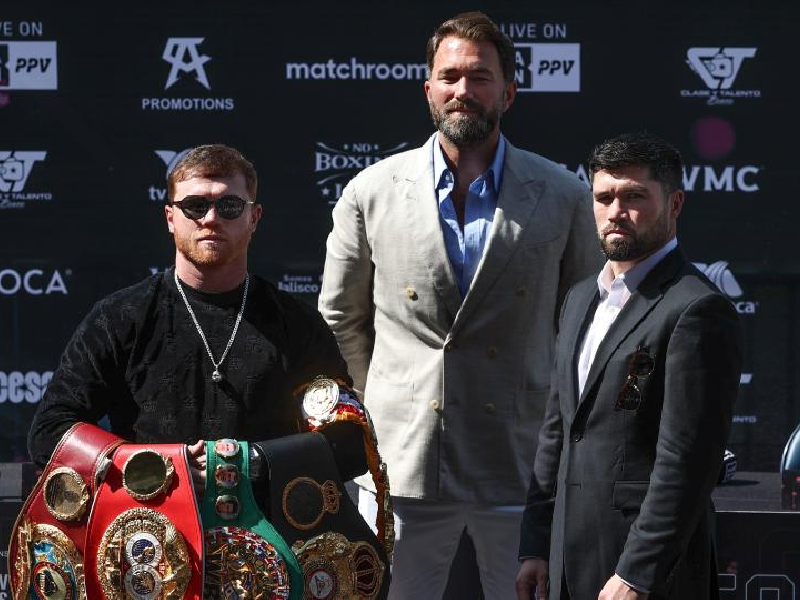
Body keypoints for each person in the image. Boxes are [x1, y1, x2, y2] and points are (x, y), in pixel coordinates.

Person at [317, 11, 601, 599]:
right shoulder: (370, 191)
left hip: (520, 458)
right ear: (428, 89)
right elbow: (341, 317)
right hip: (404, 457)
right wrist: (384, 400)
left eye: (479, 78)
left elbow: (588, 323)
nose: (462, 92)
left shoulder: (565, 195)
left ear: (509, 91)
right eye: (449, 77)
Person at [28, 143, 365, 492]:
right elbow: (50, 431)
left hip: (272, 532)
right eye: (194, 206)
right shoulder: (119, 319)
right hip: (146, 527)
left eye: (229, 206)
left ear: (254, 217)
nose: (211, 218)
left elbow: (349, 439)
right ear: (171, 218)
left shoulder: (297, 323)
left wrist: (252, 464)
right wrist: (158, 465)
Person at [516, 132, 742, 600]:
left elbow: (687, 463)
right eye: (604, 197)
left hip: (647, 576)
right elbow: (558, 430)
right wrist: (536, 545)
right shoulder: (579, 299)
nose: (616, 210)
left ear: (675, 203)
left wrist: (638, 573)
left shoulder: (697, 309)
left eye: (635, 196)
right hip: (564, 562)